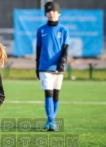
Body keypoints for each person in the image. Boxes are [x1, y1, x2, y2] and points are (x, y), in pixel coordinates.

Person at [36, 1, 69, 131]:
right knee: (48, 94)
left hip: (59, 68)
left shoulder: (63, 30)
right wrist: (37, 66)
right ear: (46, 14)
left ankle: (51, 120)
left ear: (59, 13)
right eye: (49, 11)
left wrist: (62, 62)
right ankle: (51, 121)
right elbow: (38, 49)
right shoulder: (41, 30)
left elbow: (65, 49)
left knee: (56, 95)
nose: (51, 13)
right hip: (45, 67)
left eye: (54, 11)